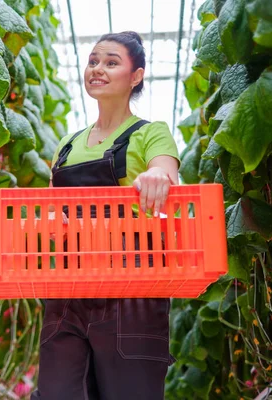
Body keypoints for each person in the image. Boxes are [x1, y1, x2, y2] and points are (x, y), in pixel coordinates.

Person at [30, 31, 180, 400]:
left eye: (111, 62)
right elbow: (52, 211)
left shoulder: (150, 133)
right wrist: (50, 224)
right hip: (68, 290)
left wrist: (157, 175)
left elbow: (166, 172)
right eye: (94, 61)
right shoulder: (67, 145)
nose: (97, 69)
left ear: (136, 76)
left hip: (132, 288)